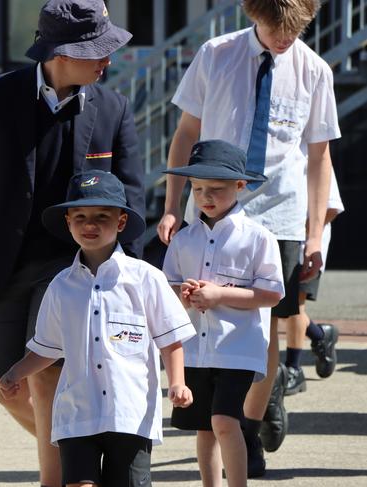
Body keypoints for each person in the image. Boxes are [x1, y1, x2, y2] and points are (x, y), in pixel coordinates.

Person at [0, 1, 144, 484]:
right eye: (97, 51)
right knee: (5, 388)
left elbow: (132, 196)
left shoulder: (113, 108)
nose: (106, 61)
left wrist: (123, 271)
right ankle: (79, 454)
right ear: (61, 53)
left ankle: (63, 478)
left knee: (46, 375)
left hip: (73, 268)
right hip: (3, 264)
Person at [157, 0, 340, 476]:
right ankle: (221, 409)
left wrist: (315, 233)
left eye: (295, 30)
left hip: (279, 211)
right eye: (277, 28)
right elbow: (186, 132)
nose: (285, 39)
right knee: (206, 307)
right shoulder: (216, 54)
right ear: (254, 13)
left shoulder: (314, 70)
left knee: (271, 320)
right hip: (214, 202)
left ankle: (248, 425)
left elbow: (318, 157)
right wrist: (172, 205)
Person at [0, 170, 196, 487]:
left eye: (101, 216)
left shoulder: (145, 279)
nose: (90, 225)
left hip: (130, 414)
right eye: (80, 216)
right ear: (68, 222)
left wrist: (178, 383)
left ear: (120, 222)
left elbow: (170, 339)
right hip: (77, 412)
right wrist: (15, 373)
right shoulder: (61, 286)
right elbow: (45, 348)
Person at [162, 140, 284, 487]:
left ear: (240, 186)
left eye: (215, 189)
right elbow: (166, 290)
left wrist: (219, 294)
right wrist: (182, 295)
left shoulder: (258, 237)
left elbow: (273, 293)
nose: (205, 197)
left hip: (238, 349)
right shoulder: (184, 240)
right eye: (198, 189)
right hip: (196, 351)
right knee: (205, 427)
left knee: (224, 421)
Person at [279, 168, 344, 396]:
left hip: (305, 245)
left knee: (295, 305)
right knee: (278, 308)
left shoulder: (314, 158)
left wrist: (306, 236)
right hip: (280, 238)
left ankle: (294, 368)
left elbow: (332, 207)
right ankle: (320, 335)